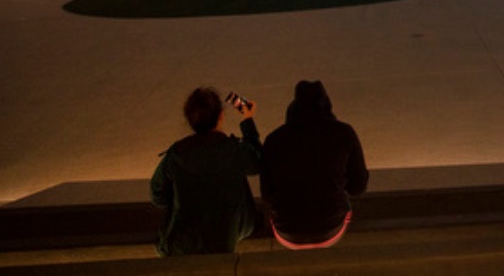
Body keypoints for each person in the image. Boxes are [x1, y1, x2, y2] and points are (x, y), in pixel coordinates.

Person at [150, 87, 262, 256]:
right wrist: (248, 120)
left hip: (180, 244)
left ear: (190, 121)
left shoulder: (177, 154)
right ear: (220, 117)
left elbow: (157, 195)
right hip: (222, 240)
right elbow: (257, 163)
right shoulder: (233, 151)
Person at [261, 80, 368, 249]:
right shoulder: (344, 132)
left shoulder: (274, 139)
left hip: (286, 232)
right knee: (344, 200)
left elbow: (267, 195)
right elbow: (358, 187)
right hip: (330, 229)